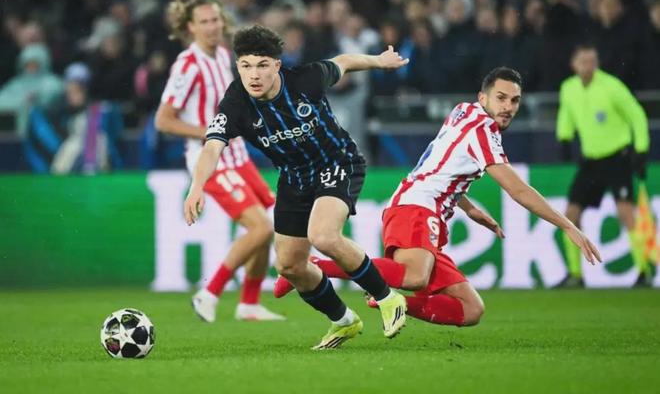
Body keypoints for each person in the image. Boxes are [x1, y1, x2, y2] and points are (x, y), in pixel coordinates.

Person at [273, 67, 602, 328]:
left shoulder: (464, 111)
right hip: (417, 207)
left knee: (470, 309)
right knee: (414, 275)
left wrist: (467, 206)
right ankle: (314, 266)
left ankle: (391, 302)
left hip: (419, 204)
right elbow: (517, 190)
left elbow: (441, 163)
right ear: (483, 97)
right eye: (501, 98)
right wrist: (567, 225)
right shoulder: (483, 131)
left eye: (514, 101)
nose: (508, 107)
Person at [184, 25, 409, 350]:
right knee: (289, 265)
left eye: (262, 65)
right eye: (246, 66)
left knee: (324, 236)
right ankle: (344, 320)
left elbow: (343, 62)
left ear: (277, 64)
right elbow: (212, 147)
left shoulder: (306, 79)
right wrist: (197, 186)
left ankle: (388, 298)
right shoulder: (235, 103)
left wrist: (379, 61)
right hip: (294, 179)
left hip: (337, 162)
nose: (254, 75)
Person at [156, 0, 284, 323]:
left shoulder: (225, 55)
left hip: (239, 156)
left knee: (269, 227)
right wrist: (210, 132)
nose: (212, 27)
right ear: (191, 27)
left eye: (215, 20)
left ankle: (249, 304)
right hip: (210, 160)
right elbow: (164, 120)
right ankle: (209, 293)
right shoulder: (187, 65)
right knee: (260, 227)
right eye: (204, 22)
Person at [556, 44, 651, 287]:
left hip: (617, 157)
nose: (588, 66)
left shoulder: (611, 86)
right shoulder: (568, 88)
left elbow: (636, 115)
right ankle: (575, 275)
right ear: (574, 64)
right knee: (570, 215)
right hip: (591, 160)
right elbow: (567, 113)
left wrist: (641, 150)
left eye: (592, 61)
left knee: (625, 213)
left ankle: (644, 271)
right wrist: (564, 137)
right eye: (584, 61)